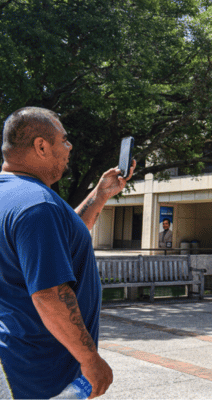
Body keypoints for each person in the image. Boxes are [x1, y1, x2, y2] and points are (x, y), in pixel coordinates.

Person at [0, 107, 135, 399]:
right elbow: (49, 295)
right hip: (42, 375)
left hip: (17, 360)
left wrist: (99, 195)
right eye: (64, 140)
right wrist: (90, 359)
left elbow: (57, 241)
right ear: (41, 146)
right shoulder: (38, 205)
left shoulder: (13, 196)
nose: (70, 147)